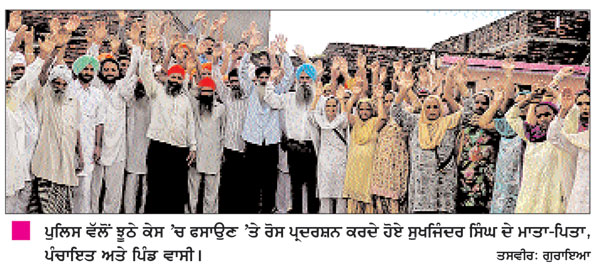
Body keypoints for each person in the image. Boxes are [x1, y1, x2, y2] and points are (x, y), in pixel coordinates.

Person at [391, 64, 471, 214]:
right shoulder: (415, 122)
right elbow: (396, 112)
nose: (432, 110)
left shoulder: (449, 123)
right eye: (428, 107)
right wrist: (403, 90)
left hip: (443, 179)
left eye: (435, 107)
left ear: (441, 108)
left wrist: (461, 85)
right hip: (421, 181)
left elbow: (469, 112)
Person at [139, 26, 197, 213]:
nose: (176, 80)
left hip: (180, 150)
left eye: (180, 78)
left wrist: (193, 146)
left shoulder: (185, 100)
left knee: (177, 193)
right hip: (159, 148)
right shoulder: (156, 92)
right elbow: (145, 72)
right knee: (155, 190)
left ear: (182, 80)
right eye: (173, 76)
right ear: (167, 77)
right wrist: (147, 48)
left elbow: (190, 125)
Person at [87, 20, 142, 213]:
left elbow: (134, 70)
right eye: (106, 69)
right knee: (92, 191)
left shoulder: (122, 89)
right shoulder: (96, 87)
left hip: (118, 149)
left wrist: (136, 46)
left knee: (113, 192)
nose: (109, 72)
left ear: (119, 72)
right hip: (95, 146)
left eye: (113, 69)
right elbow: (90, 63)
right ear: (101, 71)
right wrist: (96, 42)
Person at [239, 32, 293, 213]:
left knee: (270, 180)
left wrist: (283, 53)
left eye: (266, 77)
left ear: (269, 78)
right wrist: (251, 49)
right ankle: (250, 211)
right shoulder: (250, 90)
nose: (263, 80)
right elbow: (241, 72)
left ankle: (269, 211)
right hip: (253, 141)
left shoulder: (276, 91)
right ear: (256, 78)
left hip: (270, 142)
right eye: (260, 77)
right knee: (250, 180)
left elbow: (289, 77)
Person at [30, 38, 84, 214]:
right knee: (42, 211)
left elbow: (76, 130)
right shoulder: (45, 96)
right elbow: (43, 73)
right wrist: (54, 52)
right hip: (46, 164)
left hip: (66, 165)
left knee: (62, 211)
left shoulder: (73, 101)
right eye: (56, 83)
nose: (59, 87)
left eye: (63, 84)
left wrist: (80, 155)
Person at [264, 60, 320, 214]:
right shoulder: (289, 98)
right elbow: (271, 100)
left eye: (307, 78)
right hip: (294, 148)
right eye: (301, 78)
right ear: (296, 80)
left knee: (313, 186)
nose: (304, 82)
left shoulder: (319, 100)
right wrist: (270, 80)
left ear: (313, 80)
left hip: (312, 148)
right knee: (295, 186)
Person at [343, 80, 386, 214]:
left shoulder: (374, 122)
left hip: (369, 167)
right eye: (361, 109)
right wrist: (354, 97)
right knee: (354, 200)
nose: (364, 112)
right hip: (354, 166)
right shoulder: (355, 122)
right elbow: (346, 113)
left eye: (367, 109)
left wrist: (379, 99)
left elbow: (383, 117)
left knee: (367, 200)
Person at [187, 77, 226, 214]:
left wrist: (221, 153)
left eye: (209, 91)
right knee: (192, 192)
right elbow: (189, 93)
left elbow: (223, 131)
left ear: (214, 92)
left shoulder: (220, 108)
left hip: (213, 155)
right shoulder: (194, 105)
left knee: (211, 193)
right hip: (196, 154)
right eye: (203, 91)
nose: (206, 94)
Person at [309, 84, 349, 214]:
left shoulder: (342, 120)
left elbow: (344, 117)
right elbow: (311, 115)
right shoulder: (320, 120)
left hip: (340, 160)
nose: (331, 108)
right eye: (328, 105)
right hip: (325, 160)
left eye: (333, 105)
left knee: (340, 193)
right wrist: (317, 97)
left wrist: (342, 100)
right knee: (325, 193)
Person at [370, 90, 410, 214]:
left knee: (395, 201)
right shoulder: (380, 120)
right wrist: (379, 98)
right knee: (380, 200)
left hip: (396, 165)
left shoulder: (403, 119)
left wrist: (404, 89)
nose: (388, 104)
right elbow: (381, 117)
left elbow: (417, 105)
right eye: (386, 101)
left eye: (391, 101)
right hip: (381, 167)